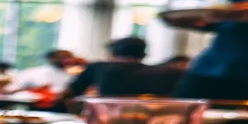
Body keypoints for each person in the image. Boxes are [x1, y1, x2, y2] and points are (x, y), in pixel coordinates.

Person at [55, 37, 183, 106]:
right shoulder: (168, 73)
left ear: (113, 53)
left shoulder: (98, 68)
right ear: (143, 54)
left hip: (106, 122)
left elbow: (69, 94)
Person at [4, 49, 74, 93]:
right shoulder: (33, 72)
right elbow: (10, 89)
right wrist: (31, 90)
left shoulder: (73, 75)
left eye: (70, 57)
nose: (68, 60)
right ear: (51, 59)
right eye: (63, 57)